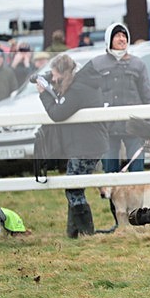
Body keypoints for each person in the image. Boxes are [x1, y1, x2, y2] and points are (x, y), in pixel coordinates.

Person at [38, 53, 108, 238]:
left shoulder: (78, 89)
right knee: (74, 185)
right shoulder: (80, 84)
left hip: (86, 146)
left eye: (54, 75)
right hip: (87, 144)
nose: (53, 79)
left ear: (63, 73)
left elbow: (58, 113)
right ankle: (73, 232)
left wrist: (44, 94)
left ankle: (86, 232)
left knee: (73, 187)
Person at [90, 23, 150, 176]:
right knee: (110, 172)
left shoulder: (138, 64)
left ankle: (137, 200)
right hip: (107, 129)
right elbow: (89, 95)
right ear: (109, 39)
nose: (122, 39)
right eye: (117, 35)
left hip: (134, 126)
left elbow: (148, 97)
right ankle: (113, 201)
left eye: (124, 36)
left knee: (137, 171)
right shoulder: (97, 64)